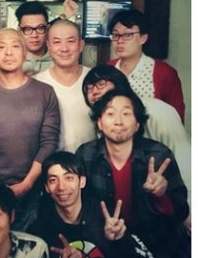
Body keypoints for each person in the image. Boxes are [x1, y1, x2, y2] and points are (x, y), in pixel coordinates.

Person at [76, 90, 190, 258]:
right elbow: (81, 208)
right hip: (108, 248)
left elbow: (180, 212)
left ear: (138, 124)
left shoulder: (158, 154)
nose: (118, 121)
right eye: (110, 114)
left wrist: (161, 195)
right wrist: (102, 231)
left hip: (159, 249)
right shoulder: (86, 155)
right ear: (99, 123)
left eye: (126, 113)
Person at [30, 151, 155, 258]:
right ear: (47, 187)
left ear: (82, 181)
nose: (61, 187)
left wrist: (120, 241)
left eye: (69, 178)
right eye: (53, 180)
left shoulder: (108, 220)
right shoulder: (38, 232)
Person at [0, 28, 60, 230]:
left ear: (25, 54)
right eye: (2, 47)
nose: (8, 53)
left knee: (32, 243)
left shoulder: (45, 92)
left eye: (15, 46)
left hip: (34, 188)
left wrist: (27, 183)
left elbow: (49, 141)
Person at [82, 64, 191, 213]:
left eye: (101, 84)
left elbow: (186, 161)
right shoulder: (88, 152)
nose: (94, 91)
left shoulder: (158, 112)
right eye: (88, 88)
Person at [108, 9, 185, 121]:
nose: (120, 41)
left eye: (128, 35)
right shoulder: (108, 69)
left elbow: (176, 117)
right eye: (116, 35)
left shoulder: (164, 73)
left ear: (143, 38)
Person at [35, 18, 95, 152]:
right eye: (57, 42)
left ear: (81, 45)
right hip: (50, 162)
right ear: (49, 46)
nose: (64, 48)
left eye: (71, 41)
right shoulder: (37, 83)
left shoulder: (95, 80)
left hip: (90, 160)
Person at [15, 0, 53, 75]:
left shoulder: (60, 61)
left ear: (48, 29)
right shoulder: (9, 62)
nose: (34, 35)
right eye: (27, 29)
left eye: (40, 28)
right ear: (19, 31)